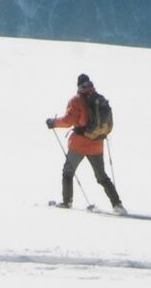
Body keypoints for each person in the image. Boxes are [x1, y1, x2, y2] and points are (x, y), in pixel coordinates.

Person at [47, 71, 123, 210]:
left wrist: (53, 122)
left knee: (68, 172)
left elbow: (68, 121)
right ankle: (117, 204)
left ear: (78, 84)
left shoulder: (76, 100)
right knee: (102, 177)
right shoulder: (98, 99)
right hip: (97, 143)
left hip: (79, 144)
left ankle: (67, 202)